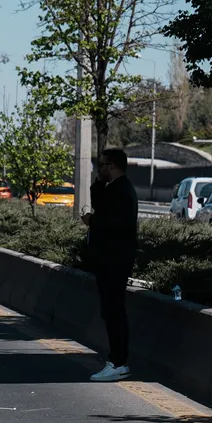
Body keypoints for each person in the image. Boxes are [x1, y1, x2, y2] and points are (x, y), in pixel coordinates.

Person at [83, 148, 138, 382]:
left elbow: (116, 224)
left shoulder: (123, 191)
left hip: (115, 260)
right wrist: (97, 182)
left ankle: (118, 362)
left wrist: (92, 221)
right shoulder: (112, 188)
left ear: (113, 166)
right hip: (109, 260)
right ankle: (116, 360)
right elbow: (99, 202)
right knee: (110, 311)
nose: (99, 168)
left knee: (114, 311)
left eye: (103, 165)